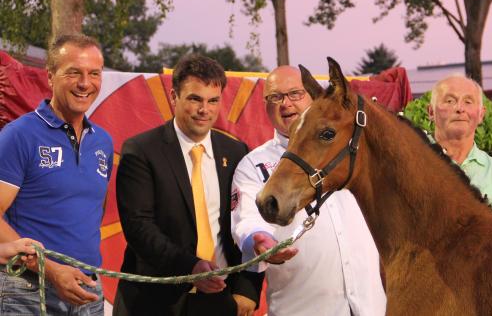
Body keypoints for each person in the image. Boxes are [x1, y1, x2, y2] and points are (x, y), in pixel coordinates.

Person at [114, 54, 264, 316]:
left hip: (219, 302)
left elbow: (249, 221)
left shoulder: (237, 152)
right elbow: (139, 228)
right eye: (195, 99)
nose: (204, 110)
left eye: (213, 101)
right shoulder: (140, 151)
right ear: (174, 97)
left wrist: (247, 289)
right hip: (154, 303)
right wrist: (191, 267)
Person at [231, 66, 387, 315]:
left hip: (371, 307)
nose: (286, 104)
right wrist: (258, 238)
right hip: (302, 308)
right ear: (265, 105)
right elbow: (246, 220)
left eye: (295, 93)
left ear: (312, 97)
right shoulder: (253, 164)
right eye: (275, 96)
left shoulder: (352, 152)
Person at [0, 34, 113, 315]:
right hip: (27, 290)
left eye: (94, 74)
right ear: (50, 76)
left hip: (87, 290)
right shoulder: (19, 135)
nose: (85, 83)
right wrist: (50, 270)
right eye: (74, 72)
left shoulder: (103, 142)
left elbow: (89, 213)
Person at [428, 75, 492, 221]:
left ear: (481, 115)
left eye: (468, 102)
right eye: (449, 101)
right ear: (431, 112)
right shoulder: (410, 165)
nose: (459, 108)